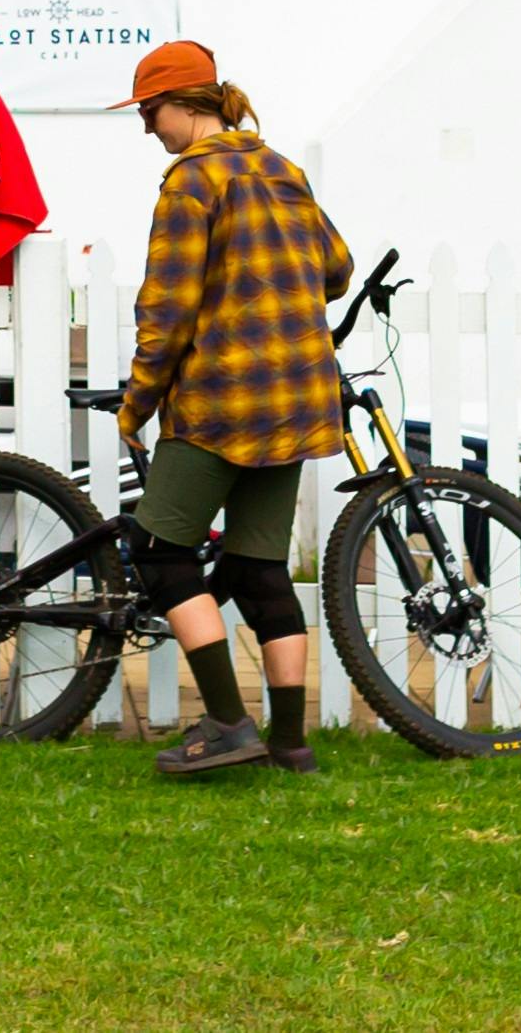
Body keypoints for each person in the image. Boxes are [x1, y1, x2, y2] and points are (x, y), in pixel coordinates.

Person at [108, 38, 352, 780]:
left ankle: (223, 722)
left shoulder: (190, 182)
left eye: (149, 112)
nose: (147, 127)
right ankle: (289, 743)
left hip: (221, 399)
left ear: (183, 107)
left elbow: (169, 308)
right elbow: (335, 268)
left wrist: (136, 402)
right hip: (296, 397)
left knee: (157, 552)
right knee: (257, 567)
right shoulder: (280, 168)